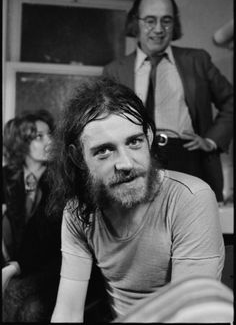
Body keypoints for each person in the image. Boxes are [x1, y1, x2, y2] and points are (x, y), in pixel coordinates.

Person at [48, 77, 225, 322]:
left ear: (149, 138)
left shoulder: (190, 198)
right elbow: (68, 311)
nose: (126, 163)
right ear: (78, 158)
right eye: (104, 151)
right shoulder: (78, 212)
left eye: (134, 142)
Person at [103, 0, 233, 203]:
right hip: (135, 161)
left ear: (175, 24)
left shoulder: (197, 60)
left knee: (191, 231)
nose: (158, 29)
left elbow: (231, 101)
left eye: (166, 20)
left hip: (189, 161)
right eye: (150, 20)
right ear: (136, 22)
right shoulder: (114, 70)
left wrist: (211, 140)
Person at [2, 110, 62, 322]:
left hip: (49, 266)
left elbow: (50, 242)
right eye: (39, 136)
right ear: (22, 143)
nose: (49, 141)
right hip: (13, 262)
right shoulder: (7, 178)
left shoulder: (60, 182)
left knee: (28, 307)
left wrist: (17, 266)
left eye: (50, 134)